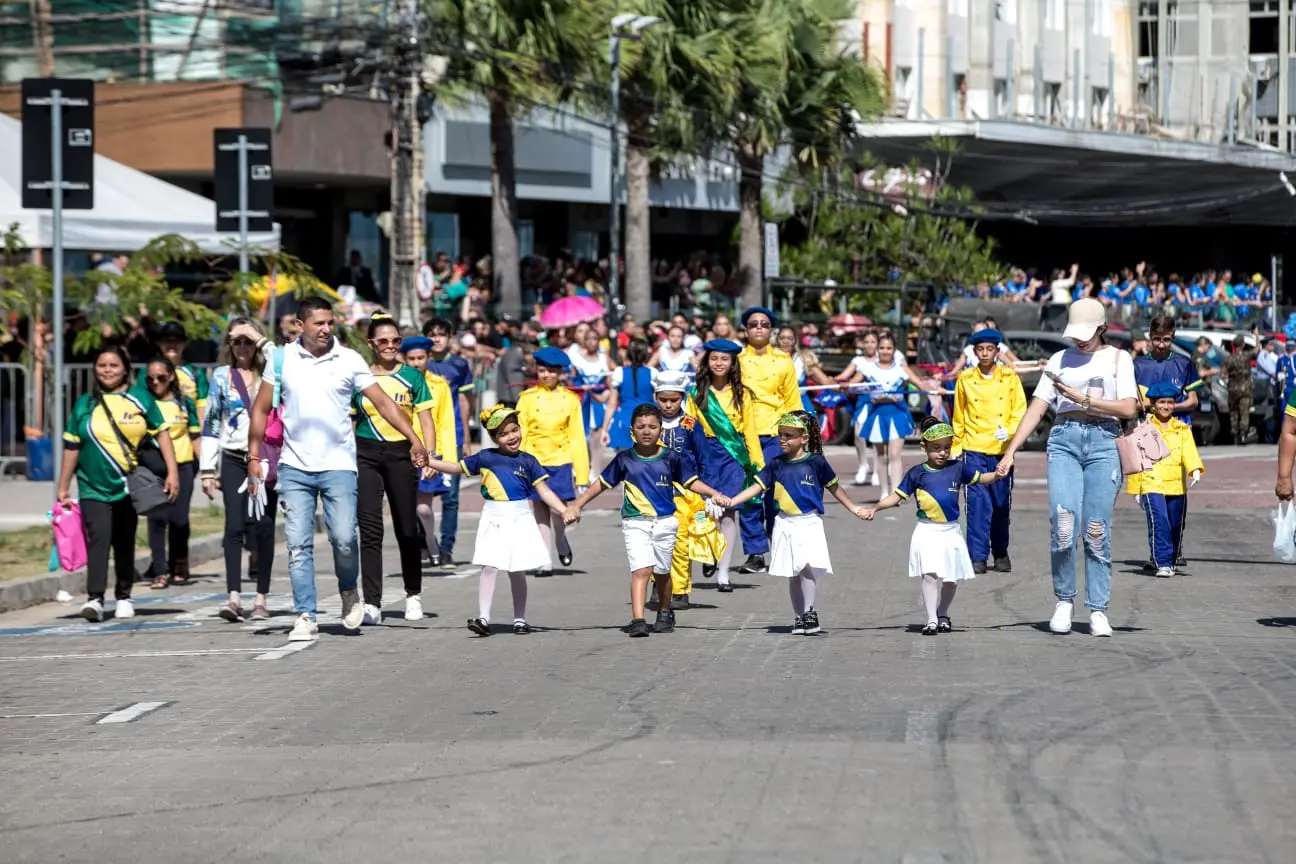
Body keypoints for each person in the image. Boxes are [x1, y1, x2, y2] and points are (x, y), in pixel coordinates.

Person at [246, 297, 427, 643]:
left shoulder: (349, 359)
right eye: (319, 323)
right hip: (294, 467)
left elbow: (383, 402)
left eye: (330, 322)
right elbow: (261, 408)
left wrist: (413, 438)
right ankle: (306, 614)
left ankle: (348, 591)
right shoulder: (281, 359)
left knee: (344, 539)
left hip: (339, 466)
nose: (327, 329)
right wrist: (253, 456)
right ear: (300, 326)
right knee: (298, 545)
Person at [996, 298, 1140, 638]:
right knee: (1062, 525)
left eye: (1086, 333)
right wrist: (1010, 451)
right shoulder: (1060, 359)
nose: (1079, 339)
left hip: (1104, 441)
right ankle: (1064, 600)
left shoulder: (1119, 358)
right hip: (1064, 439)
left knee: (1096, 529)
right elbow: (1037, 407)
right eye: (1075, 333)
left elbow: (1129, 408)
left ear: (1102, 328)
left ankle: (1098, 609)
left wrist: (1084, 399)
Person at [564, 404, 725, 637]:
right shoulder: (624, 459)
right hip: (635, 522)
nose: (647, 431)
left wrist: (713, 494)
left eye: (652, 426)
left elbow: (690, 482)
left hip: (665, 522)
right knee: (642, 570)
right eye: (641, 427)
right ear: (632, 430)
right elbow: (601, 484)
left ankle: (665, 611)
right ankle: (638, 619)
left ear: (660, 429)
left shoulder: (671, 458)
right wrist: (577, 505)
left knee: (662, 572)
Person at [57, 344, 181, 623]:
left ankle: (124, 596)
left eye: (113, 365)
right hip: (91, 485)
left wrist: (172, 473)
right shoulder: (84, 403)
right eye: (102, 365)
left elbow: (162, 435)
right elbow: (71, 446)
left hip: (127, 485)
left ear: (125, 369)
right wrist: (63, 486)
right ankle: (95, 598)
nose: (107, 371)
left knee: (124, 540)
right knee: (99, 538)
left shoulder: (140, 398)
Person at [424, 405, 569, 636]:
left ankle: (520, 619)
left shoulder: (529, 461)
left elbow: (544, 491)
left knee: (517, 570)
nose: (511, 437)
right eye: (503, 434)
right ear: (494, 438)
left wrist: (563, 510)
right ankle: (483, 618)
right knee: (489, 566)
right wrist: (429, 461)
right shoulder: (486, 457)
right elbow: (455, 467)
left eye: (514, 430)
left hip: (520, 517)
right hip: (493, 516)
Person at [727, 411, 868, 635]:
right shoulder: (776, 464)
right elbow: (755, 488)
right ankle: (799, 616)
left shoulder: (816, 462)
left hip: (809, 522)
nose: (782, 440)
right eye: (780, 435)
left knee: (806, 567)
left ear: (804, 438)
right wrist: (731, 501)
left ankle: (810, 611)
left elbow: (835, 489)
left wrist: (855, 508)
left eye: (789, 436)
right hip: (784, 523)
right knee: (792, 573)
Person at [863, 417, 1001, 635]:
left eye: (947, 447)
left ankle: (943, 612)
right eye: (936, 448)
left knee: (951, 579)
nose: (943, 453)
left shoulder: (958, 468)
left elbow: (981, 478)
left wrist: (997, 474)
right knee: (929, 574)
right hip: (927, 530)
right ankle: (931, 619)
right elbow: (896, 497)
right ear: (923, 447)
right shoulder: (917, 473)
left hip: (951, 531)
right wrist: (875, 508)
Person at [354, 315, 439, 624]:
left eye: (395, 341)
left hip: (402, 454)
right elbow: (350, 419)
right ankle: (372, 603)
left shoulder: (412, 376)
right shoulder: (360, 376)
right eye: (383, 341)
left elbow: (426, 418)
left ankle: (413, 594)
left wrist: (430, 456)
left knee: (406, 528)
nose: (390, 346)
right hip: (365, 453)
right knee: (370, 529)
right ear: (371, 344)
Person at [200, 318, 277, 622]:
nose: (242, 347)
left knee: (263, 526)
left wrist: (260, 339)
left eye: (248, 341)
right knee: (233, 526)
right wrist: (207, 469)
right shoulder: (221, 376)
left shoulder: (272, 371)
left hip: (265, 458)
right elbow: (211, 422)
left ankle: (261, 598)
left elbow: (280, 359)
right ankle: (234, 597)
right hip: (233, 457)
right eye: (236, 341)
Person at [686, 339, 765, 592]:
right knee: (706, 511)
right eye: (714, 358)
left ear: (732, 364)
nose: (719, 363)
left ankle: (723, 573)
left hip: (733, 458)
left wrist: (758, 465)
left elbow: (750, 431)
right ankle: (708, 551)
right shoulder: (696, 393)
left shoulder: (743, 394)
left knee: (729, 512)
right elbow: (688, 426)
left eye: (724, 359)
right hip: (705, 456)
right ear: (707, 362)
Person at [950, 328, 1027, 575]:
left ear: (997, 351)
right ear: (974, 352)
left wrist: (1011, 430)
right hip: (973, 447)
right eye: (980, 349)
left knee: (1001, 503)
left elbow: (1020, 410)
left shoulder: (1010, 377)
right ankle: (977, 556)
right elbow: (959, 416)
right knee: (976, 504)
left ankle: (1001, 551)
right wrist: (955, 448)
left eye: (990, 349)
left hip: (1001, 450)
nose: (985, 353)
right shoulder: (965, 378)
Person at [735, 306, 803, 574]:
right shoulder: (737, 360)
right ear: (746, 330)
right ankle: (755, 552)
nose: (759, 328)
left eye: (764, 324)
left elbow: (792, 400)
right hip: (745, 433)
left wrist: (797, 435)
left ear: (771, 330)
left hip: (776, 432)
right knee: (749, 494)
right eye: (753, 324)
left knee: (775, 494)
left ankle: (779, 546)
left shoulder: (783, 361)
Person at [1133, 315, 1200, 567]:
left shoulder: (1183, 363)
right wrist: (1155, 409)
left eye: (1166, 340)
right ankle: (1158, 553)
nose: (1161, 345)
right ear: (1149, 337)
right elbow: (1133, 402)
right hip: (1148, 435)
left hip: (1177, 433)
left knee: (1176, 495)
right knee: (1153, 495)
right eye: (1156, 339)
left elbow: (1193, 400)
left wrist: (1168, 408)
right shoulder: (1138, 365)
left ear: (1173, 337)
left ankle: (1175, 547)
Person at [516, 347, 589, 574]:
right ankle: (544, 559)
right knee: (539, 511)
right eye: (542, 370)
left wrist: (582, 475)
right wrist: (518, 464)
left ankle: (560, 538)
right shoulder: (526, 399)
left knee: (559, 512)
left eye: (551, 371)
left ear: (560, 373)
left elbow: (577, 437)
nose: (546, 375)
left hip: (560, 460)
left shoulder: (570, 400)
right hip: (534, 461)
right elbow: (521, 433)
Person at [654, 371, 724, 611]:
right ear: (655, 398)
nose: (668, 405)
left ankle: (680, 590)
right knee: (655, 541)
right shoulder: (649, 424)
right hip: (654, 494)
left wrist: (709, 493)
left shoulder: (690, 424)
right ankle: (657, 585)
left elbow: (704, 459)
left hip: (688, 495)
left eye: (674, 400)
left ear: (682, 398)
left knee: (681, 543)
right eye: (663, 400)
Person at [1128, 382, 1203, 578]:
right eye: (1162, 402)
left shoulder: (1182, 429)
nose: (1166, 406)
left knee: (1176, 525)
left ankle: (1168, 560)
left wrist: (1194, 469)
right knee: (1159, 522)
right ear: (1153, 404)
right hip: (1151, 483)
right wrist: (1135, 489)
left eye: (1170, 402)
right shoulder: (1143, 429)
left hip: (1176, 485)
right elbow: (1136, 461)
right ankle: (1163, 562)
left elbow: (1189, 451)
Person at [141, 356, 201, 590]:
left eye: (161, 377)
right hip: (154, 468)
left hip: (183, 466)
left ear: (172, 377)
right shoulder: (143, 404)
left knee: (179, 519)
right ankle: (160, 570)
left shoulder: (184, 403)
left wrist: (209, 470)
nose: (155, 382)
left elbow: (195, 436)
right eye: (150, 379)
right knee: (156, 519)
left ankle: (179, 563)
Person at [400, 336, 460, 567]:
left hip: (430, 453)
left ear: (428, 357)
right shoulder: (398, 383)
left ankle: (431, 540)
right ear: (404, 359)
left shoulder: (439, 385)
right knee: (407, 507)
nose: (416, 363)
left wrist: (448, 460)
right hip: (403, 452)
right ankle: (423, 543)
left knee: (424, 508)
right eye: (411, 359)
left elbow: (446, 422)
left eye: (420, 358)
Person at [420, 318, 475, 562]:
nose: (436, 338)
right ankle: (425, 540)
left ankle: (446, 548)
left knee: (450, 496)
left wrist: (466, 440)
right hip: (422, 437)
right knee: (420, 495)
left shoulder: (459, 365)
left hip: (452, 436)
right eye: (431, 334)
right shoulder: (419, 363)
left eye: (441, 334)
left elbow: (464, 402)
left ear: (450, 337)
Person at [855, 331, 929, 500]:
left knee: (895, 455)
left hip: (897, 415)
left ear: (894, 350)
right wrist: (839, 385)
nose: (885, 351)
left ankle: (896, 493)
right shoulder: (868, 369)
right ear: (877, 349)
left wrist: (935, 388)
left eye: (889, 348)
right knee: (881, 456)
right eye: (882, 348)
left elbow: (920, 384)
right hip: (877, 415)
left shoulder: (901, 368)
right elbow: (852, 383)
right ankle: (883, 492)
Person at [566, 325, 615, 477]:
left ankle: (595, 471)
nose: (592, 342)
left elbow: (612, 380)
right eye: (589, 339)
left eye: (595, 339)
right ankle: (581, 467)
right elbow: (570, 382)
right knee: (581, 436)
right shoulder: (576, 359)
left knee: (597, 438)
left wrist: (608, 393)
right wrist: (580, 387)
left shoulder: (604, 358)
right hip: (582, 402)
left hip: (599, 402)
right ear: (584, 341)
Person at [137, 322, 210, 422]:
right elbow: (141, 403)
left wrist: (200, 429)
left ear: (185, 343)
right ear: (159, 343)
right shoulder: (146, 372)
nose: (172, 345)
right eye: (167, 341)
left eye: (177, 341)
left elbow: (202, 405)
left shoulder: (196, 373)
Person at [601, 340, 657, 450]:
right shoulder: (653, 373)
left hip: (625, 420)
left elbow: (612, 404)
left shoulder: (619, 373)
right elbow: (657, 400)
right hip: (649, 420)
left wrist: (605, 429)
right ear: (646, 355)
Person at [1223, 336, 1258, 445]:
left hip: (1233, 389)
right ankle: (1242, 435)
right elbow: (1257, 349)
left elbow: (1223, 373)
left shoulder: (1229, 358)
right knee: (1244, 412)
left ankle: (1234, 433)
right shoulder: (1246, 355)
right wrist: (1256, 335)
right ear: (1242, 345)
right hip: (1245, 389)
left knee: (1233, 412)